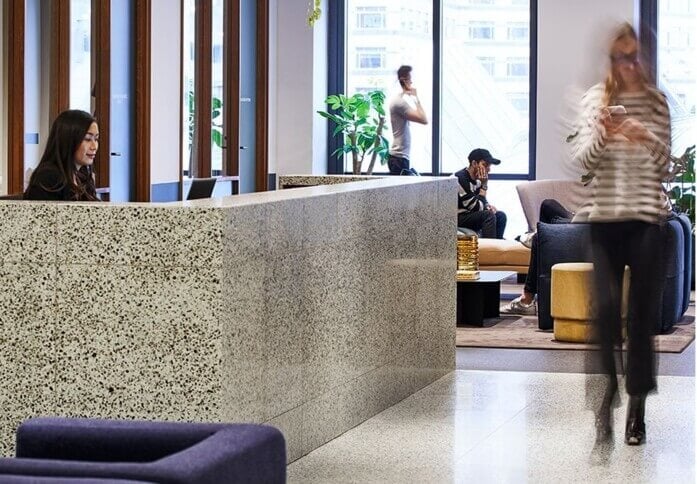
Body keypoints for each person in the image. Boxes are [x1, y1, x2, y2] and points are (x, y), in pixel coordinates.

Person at [569, 22, 672, 447]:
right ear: (611, 60)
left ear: (644, 56)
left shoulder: (656, 102)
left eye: (634, 56)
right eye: (620, 57)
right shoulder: (596, 99)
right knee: (606, 314)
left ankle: (637, 408)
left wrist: (643, 135)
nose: (628, 65)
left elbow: (667, 166)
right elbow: (584, 165)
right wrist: (603, 136)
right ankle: (604, 399)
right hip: (606, 221)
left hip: (648, 222)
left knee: (641, 320)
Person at [501, 199, 574, 315]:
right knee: (547, 204)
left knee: (539, 238)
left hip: (586, 223)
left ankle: (526, 301)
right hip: (581, 217)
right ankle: (537, 234)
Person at [24, 110, 100, 201]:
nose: (94, 146)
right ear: (68, 140)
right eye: (87, 139)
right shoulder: (48, 178)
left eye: (96, 139)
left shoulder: (83, 175)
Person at [455, 148, 507, 239]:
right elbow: (476, 207)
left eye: (489, 166)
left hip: (470, 213)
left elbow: (481, 201)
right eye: (485, 165)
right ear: (474, 163)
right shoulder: (460, 178)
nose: (488, 169)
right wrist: (484, 186)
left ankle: (497, 249)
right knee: (488, 216)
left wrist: (488, 206)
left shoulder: (478, 180)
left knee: (500, 216)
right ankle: (489, 251)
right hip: (458, 216)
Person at [387, 65, 428, 175]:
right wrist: (416, 98)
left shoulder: (400, 99)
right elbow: (424, 119)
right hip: (398, 158)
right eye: (410, 79)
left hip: (400, 157)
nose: (412, 82)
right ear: (403, 80)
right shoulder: (398, 102)